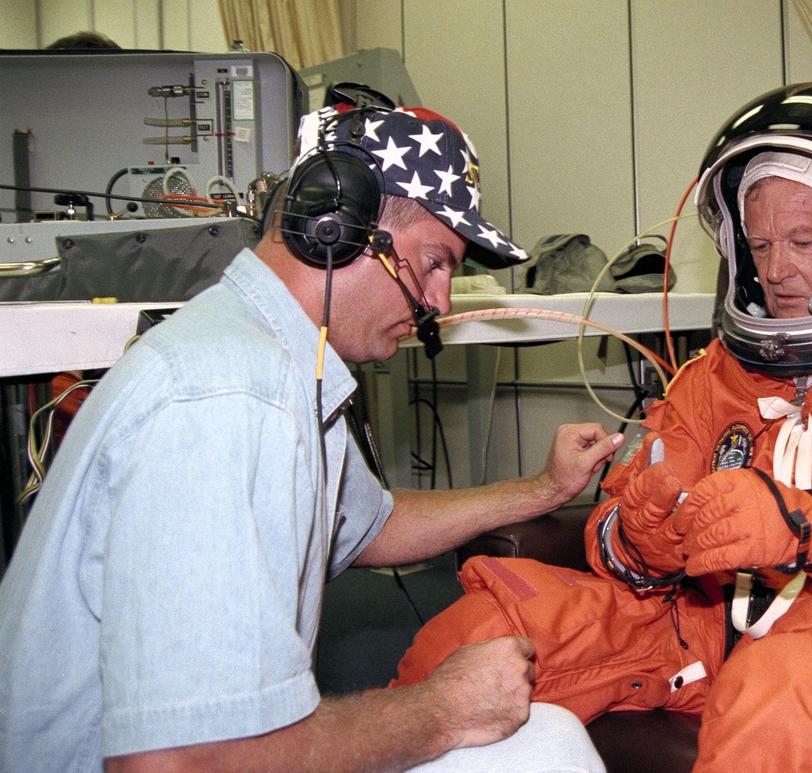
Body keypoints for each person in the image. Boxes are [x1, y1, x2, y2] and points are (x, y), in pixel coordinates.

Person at [387, 81, 812, 771]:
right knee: (473, 637)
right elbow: (615, 528)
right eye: (762, 244)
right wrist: (636, 535)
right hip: (689, 625)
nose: (776, 270)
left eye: (803, 240)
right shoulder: (713, 375)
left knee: (783, 691)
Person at [0, 101, 619, 772]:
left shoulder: (273, 359)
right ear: (340, 227)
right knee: (546, 750)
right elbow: (179, 761)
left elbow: (370, 524)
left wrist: (542, 489)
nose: (441, 302)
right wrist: (443, 708)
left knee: (547, 736)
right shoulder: (232, 396)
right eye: (434, 261)